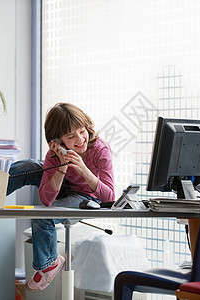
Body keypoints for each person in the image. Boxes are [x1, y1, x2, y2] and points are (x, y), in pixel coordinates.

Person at [19, 102, 115, 292]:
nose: (80, 139)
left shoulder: (100, 149)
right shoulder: (53, 156)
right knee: (28, 166)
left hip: (88, 196)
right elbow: (46, 200)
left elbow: (109, 197)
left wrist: (83, 169)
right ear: (59, 141)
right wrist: (61, 165)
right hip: (63, 187)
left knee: (42, 217)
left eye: (82, 131)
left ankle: (49, 264)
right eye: (71, 136)